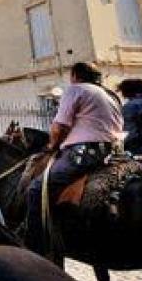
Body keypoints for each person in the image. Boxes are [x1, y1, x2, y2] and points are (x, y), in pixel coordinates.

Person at [25, 62, 122, 256]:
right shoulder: (109, 95)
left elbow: (59, 126)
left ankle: (37, 247)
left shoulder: (76, 90)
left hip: (83, 154)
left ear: (75, 76)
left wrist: (52, 145)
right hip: (111, 152)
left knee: (36, 189)